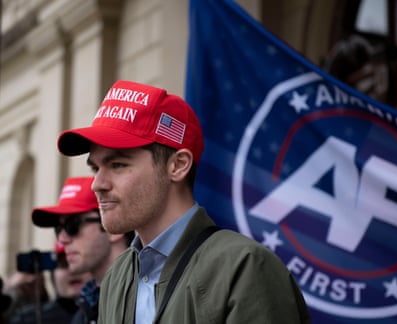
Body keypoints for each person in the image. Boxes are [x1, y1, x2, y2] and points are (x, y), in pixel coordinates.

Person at [56, 80, 311, 324]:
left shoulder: (245, 268)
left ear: (177, 166)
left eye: (118, 165)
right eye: (95, 168)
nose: (97, 184)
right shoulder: (117, 276)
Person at [31, 176, 134, 324]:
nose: (62, 239)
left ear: (114, 228)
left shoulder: (147, 298)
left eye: (72, 225)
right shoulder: (84, 310)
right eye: (58, 229)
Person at [8, 242, 90, 324]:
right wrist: (12, 293)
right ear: (52, 274)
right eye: (64, 264)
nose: (73, 270)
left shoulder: (101, 313)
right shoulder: (27, 319)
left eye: (80, 263)